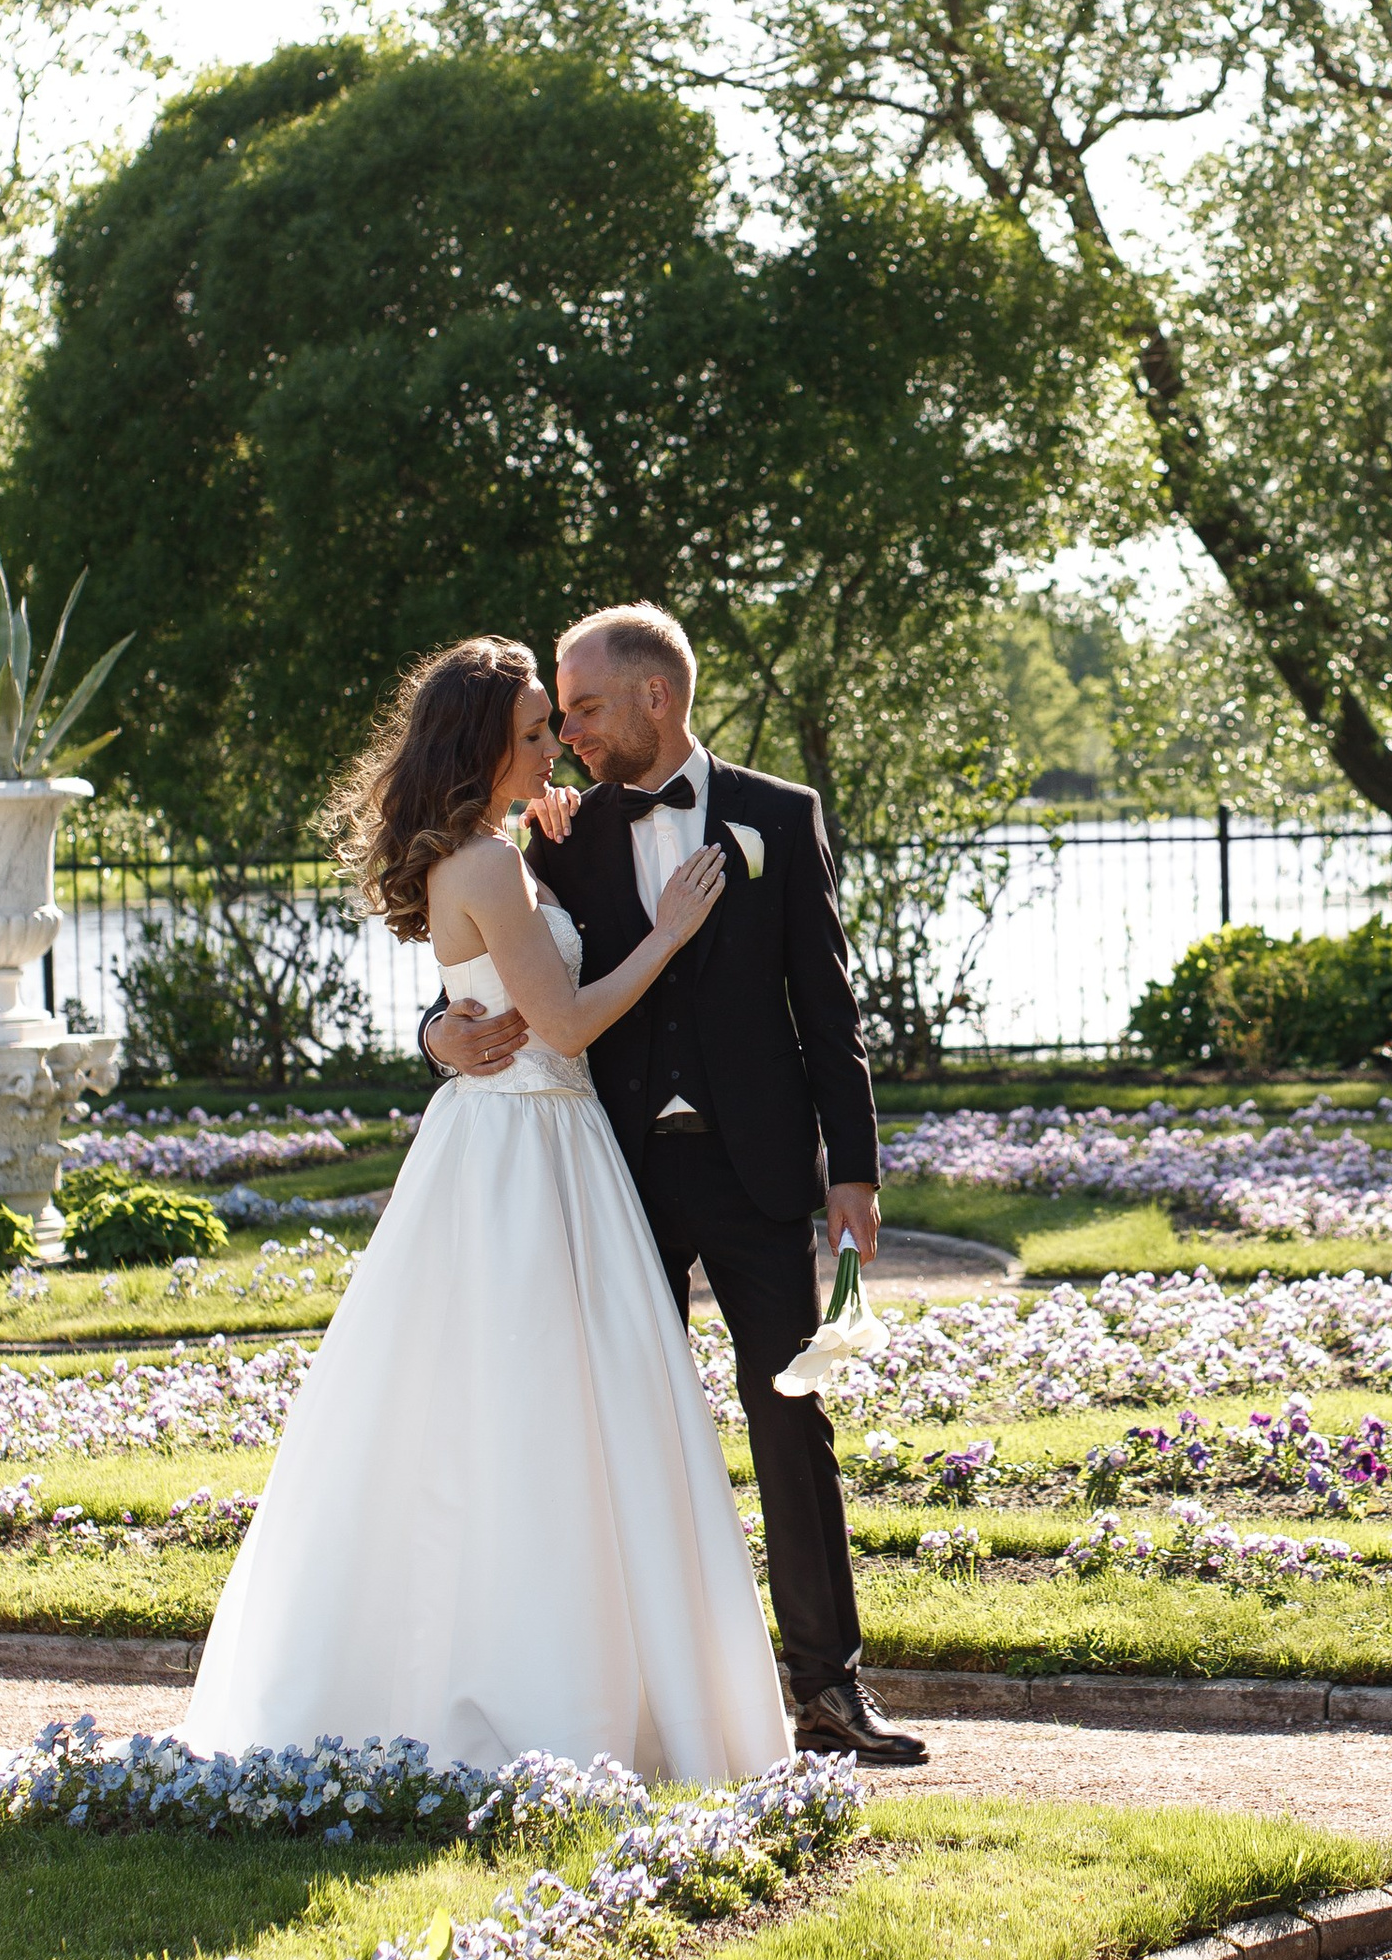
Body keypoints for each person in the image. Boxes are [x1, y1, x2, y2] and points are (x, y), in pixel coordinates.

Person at [183, 635, 790, 1784]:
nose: (552, 743)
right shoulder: (488, 867)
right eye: (529, 734)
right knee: (543, 1413)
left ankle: (565, 1677)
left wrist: (533, 853)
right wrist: (668, 930)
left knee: (527, 1413)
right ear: (481, 749)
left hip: (529, 1142)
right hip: (528, 1148)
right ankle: (555, 1693)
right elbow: (558, 1026)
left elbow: (477, 989)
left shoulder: (498, 852)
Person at [421, 602, 926, 1768]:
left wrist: (852, 1167)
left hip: (755, 1172)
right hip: (611, 1176)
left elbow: (828, 1008)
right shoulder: (549, 836)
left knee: (792, 1418)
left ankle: (827, 1690)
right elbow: (482, 969)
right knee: (613, 1431)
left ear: (658, 696)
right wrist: (433, 1043)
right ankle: (640, 1696)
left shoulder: (776, 817)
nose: (574, 735)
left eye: (585, 708)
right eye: (559, 717)